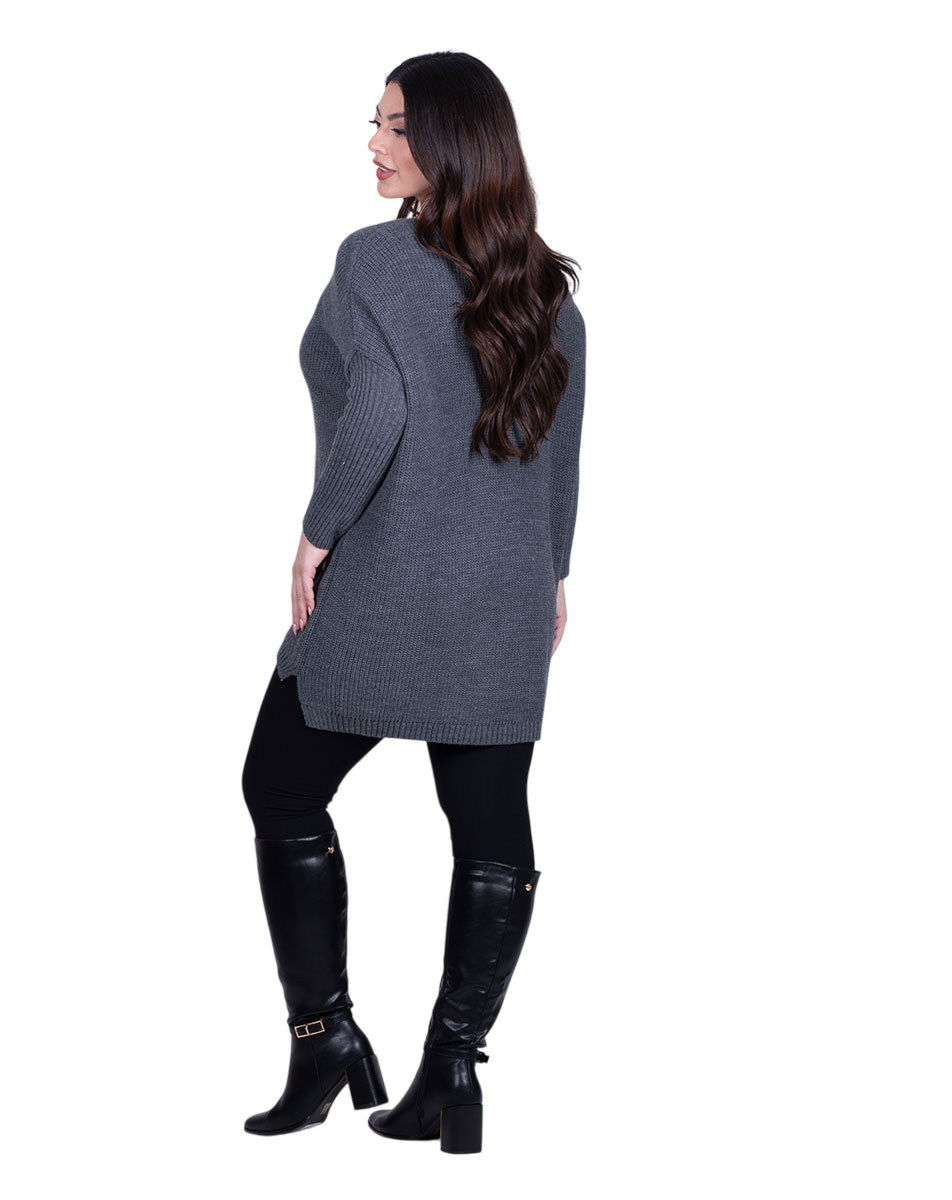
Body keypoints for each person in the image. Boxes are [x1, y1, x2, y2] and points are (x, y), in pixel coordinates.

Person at [240, 51, 586, 1155]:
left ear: (450, 141)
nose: (375, 144)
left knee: (279, 784)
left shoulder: (376, 260)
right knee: (490, 832)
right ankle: (452, 1071)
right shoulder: (545, 288)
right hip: (506, 594)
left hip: (389, 577)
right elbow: (563, 450)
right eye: (377, 122)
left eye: (396, 126)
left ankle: (324, 1040)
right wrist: (552, 572)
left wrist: (317, 532)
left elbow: (377, 412)